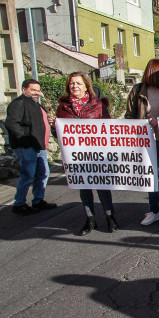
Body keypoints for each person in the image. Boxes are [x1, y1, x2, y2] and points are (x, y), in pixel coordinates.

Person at [56, 72, 117, 236]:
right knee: (84, 187)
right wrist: (55, 127)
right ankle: (90, 219)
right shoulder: (63, 108)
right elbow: (60, 134)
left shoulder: (98, 105)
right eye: (71, 84)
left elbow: (108, 128)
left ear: (86, 86)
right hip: (75, 156)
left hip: (96, 154)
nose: (74, 86)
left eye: (78, 83)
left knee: (102, 186)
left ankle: (110, 217)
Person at [124, 59, 159, 226]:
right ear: (155, 72)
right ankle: (154, 211)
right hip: (146, 141)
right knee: (150, 176)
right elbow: (130, 115)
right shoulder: (138, 90)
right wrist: (144, 124)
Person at [5, 79, 57, 215]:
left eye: (38, 90)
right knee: (28, 175)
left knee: (43, 174)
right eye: (33, 90)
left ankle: (38, 200)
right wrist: (26, 141)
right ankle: (19, 204)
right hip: (27, 146)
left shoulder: (35, 104)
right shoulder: (18, 103)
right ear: (24, 90)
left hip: (39, 146)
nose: (37, 93)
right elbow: (11, 124)